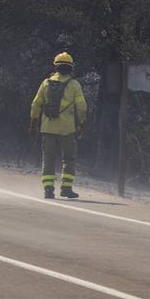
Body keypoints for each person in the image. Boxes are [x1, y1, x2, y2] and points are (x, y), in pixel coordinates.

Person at [29, 52, 87, 199]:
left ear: (56, 67)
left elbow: (36, 104)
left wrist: (33, 123)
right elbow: (82, 107)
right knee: (69, 159)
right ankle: (66, 188)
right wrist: (82, 123)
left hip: (48, 128)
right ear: (70, 68)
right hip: (67, 129)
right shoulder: (74, 85)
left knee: (48, 158)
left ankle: (48, 189)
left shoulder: (46, 83)